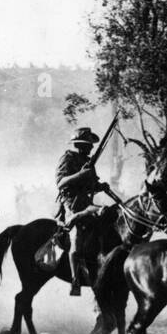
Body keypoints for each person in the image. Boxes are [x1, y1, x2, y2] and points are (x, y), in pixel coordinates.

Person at [55, 126, 114, 295]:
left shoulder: (88, 162)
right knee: (76, 239)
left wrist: (100, 186)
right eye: (88, 144)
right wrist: (80, 175)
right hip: (71, 205)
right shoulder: (67, 158)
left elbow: (92, 184)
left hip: (87, 204)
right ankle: (75, 281)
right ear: (80, 145)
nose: (91, 147)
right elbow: (60, 183)